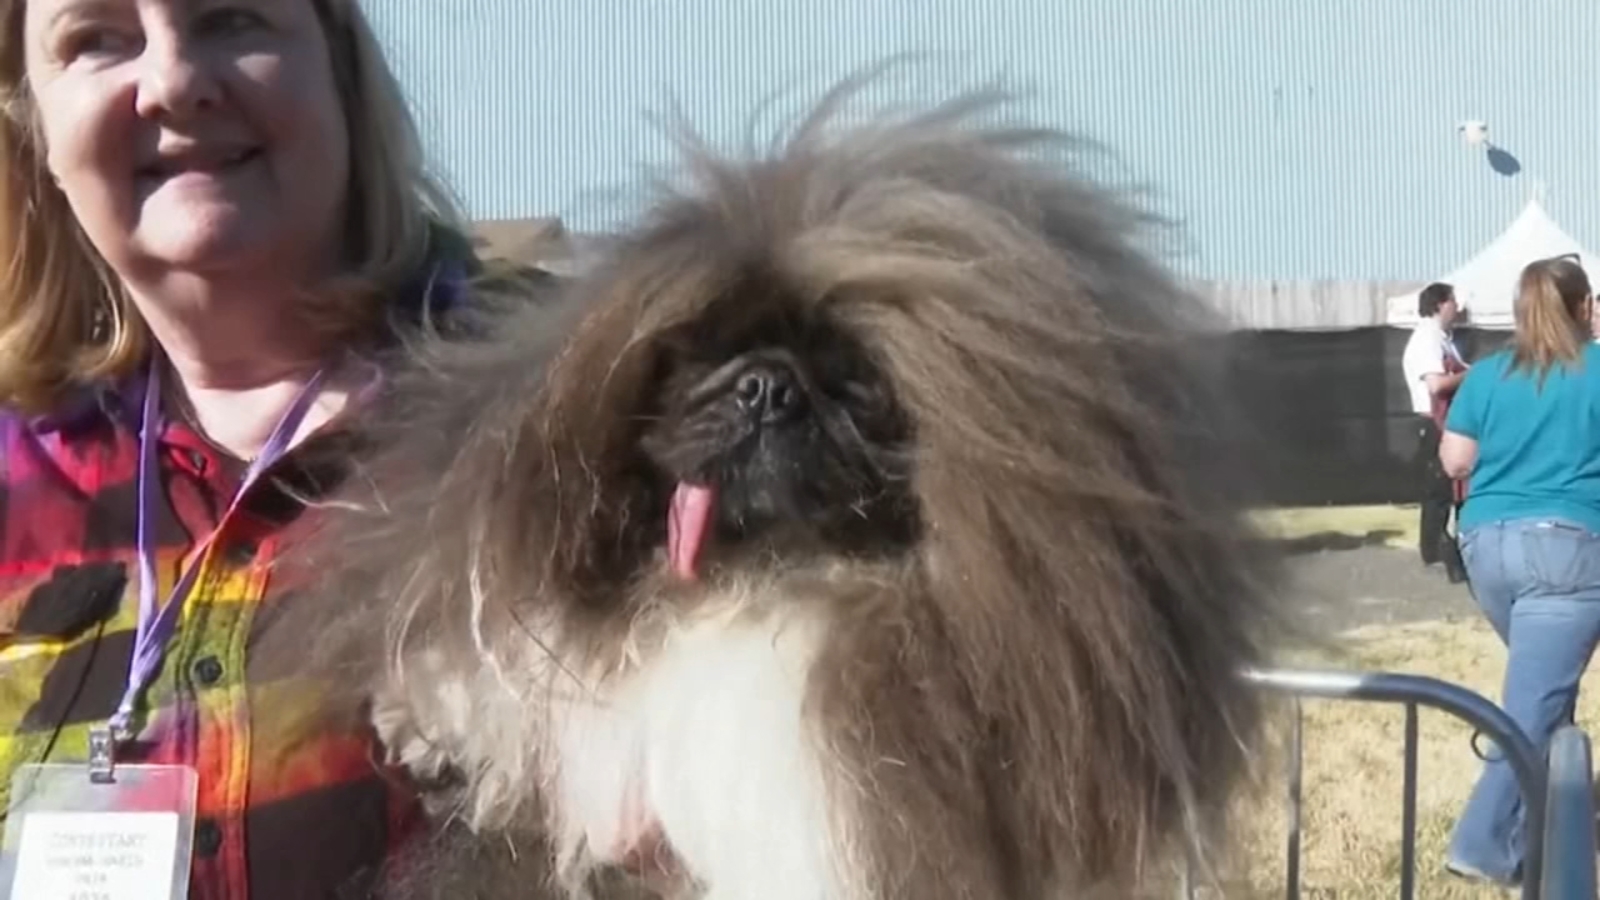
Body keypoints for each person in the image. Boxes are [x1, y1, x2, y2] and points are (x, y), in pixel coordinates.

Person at [0, 1, 507, 896]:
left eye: (230, 17)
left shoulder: (567, 416)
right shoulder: (18, 485)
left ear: (339, 69)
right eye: (95, 39)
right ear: (32, 122)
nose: (172, 83)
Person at [1439, 254, 1600, 887]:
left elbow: (1455, 461)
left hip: (1488, 548)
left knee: (1545, 697)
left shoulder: (1489, 374)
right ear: (1584, 305)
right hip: (1569, 548)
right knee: (1535, 706)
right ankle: (1483, 842)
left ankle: (1550, 836)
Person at [1400, 281, 1469, 580]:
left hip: (1444, 421)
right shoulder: (1427, 337)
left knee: (1444, 491)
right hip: (1433, 422)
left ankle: (1441, 552)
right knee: (1439, 493)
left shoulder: (1442, 338)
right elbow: (1437, 385)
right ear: (1440, 303)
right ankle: (1436, 555)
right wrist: (1472, 374)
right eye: (1454, 301)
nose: (1458, 308)